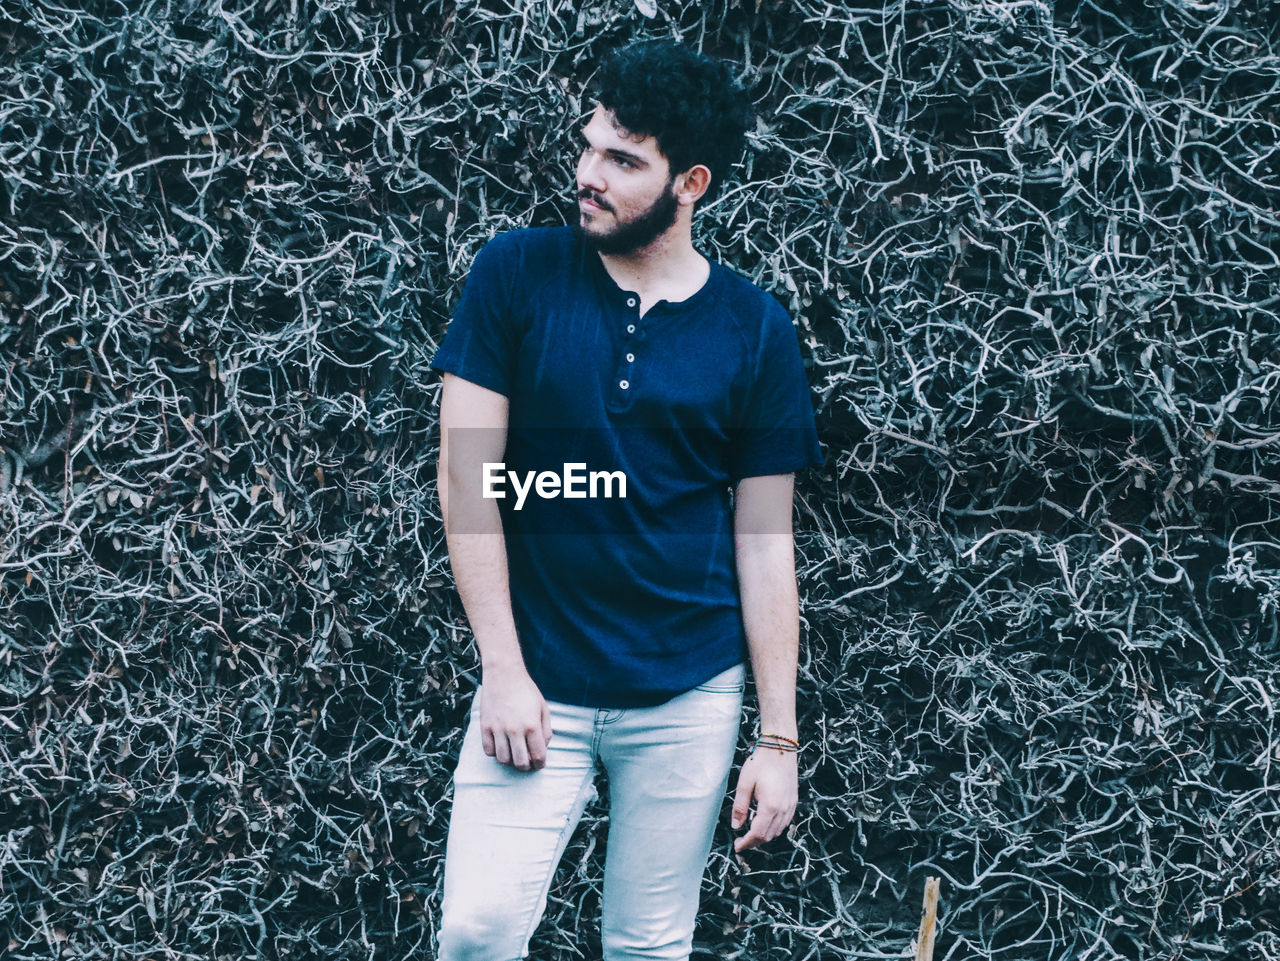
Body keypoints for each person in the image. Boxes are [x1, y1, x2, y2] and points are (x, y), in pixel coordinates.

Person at [429, 38, 823, 961]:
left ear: (691, 183)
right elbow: (468, 480)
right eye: (590, 145)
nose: (588, 175)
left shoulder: (753, 329)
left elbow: (765, 540)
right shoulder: (516, 275)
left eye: (622, 160)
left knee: (648, 946)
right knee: (477, 931)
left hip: (686, 690)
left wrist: (779, 739)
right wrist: (503, 667)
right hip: (538, 680)